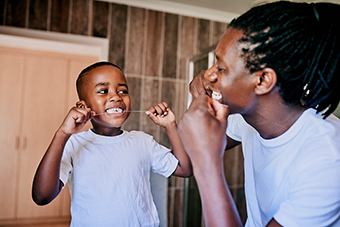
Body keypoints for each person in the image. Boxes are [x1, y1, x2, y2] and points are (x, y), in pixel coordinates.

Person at [177, 1, 340, 227]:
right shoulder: (245, 119)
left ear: (263, 81)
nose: (207, 75)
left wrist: (207, 160)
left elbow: (201, 155)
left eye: (221, 67)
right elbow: (187, 156)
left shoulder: (329, 160)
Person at [32, 61, 192, 226]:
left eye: (123, 90)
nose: (116, 96)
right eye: (103, 91)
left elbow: (184, 169)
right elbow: (42, 196)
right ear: (83, 105)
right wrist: (62, 134)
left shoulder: (142, 141)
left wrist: (170, 126)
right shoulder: (73, 144)